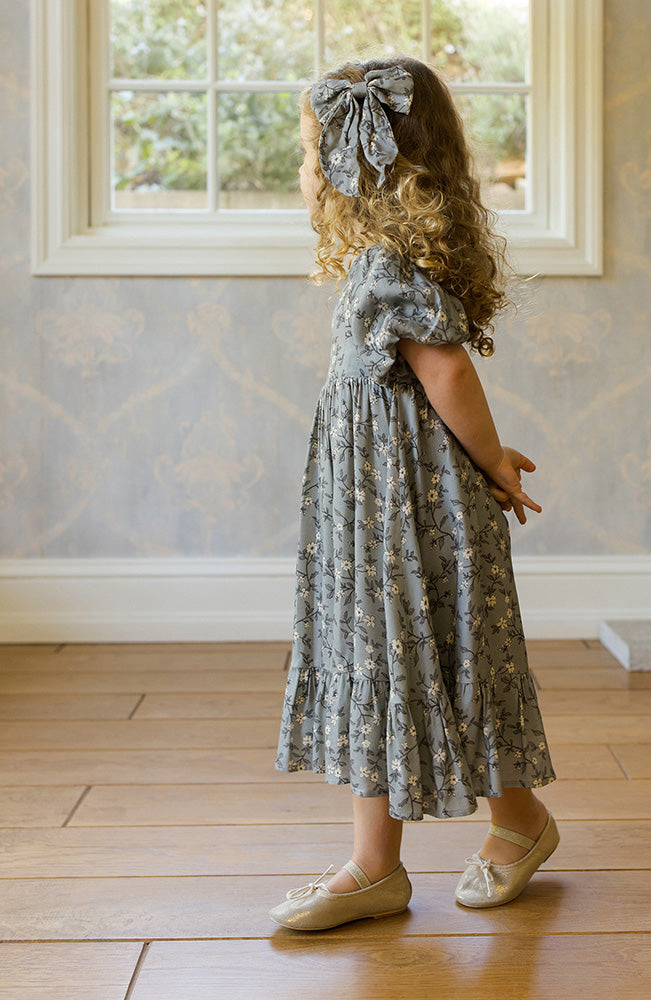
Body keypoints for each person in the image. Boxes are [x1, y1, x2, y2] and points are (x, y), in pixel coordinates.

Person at [269, 56, 557, 932]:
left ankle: (514, 824)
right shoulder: (376, 264)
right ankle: (382, 864)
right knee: (393, 658)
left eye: (314, 152)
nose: (306, 171)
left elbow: (447, 372)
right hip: (376, 512)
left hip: (415, 513)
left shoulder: (389, 268)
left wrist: (493, 462)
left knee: (440, 653)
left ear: (360, 162)